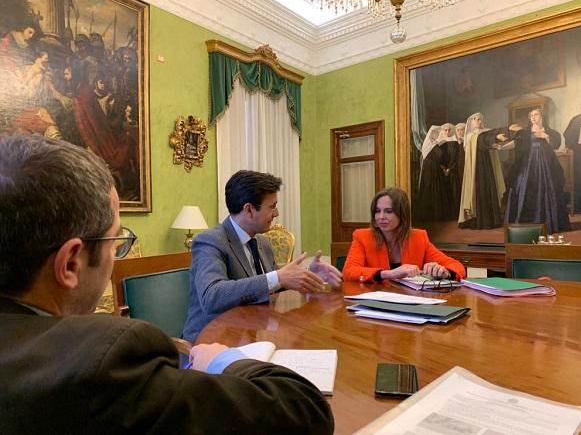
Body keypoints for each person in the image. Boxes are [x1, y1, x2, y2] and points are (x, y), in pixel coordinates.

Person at [0, 135, 334, 434]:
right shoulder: (108, 357)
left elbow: (265, 287)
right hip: (212, 348)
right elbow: (305, 412)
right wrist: (222, 361)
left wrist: (299, 279)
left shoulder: (263, 244)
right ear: (71, 263)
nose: (276, 214)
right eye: (116, 241)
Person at [183, 170, 342, 342]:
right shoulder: (210, 241)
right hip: (211, 343)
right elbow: (212, 296)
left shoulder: (262, 242)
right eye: (272, 206)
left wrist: (307, 275)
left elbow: (272, 284)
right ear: (249, 210)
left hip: (254, 335)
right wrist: (277, 277)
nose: (277, 213)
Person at [343, 188, 465, 282]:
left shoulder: (419, 238)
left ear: (402, 214)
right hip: (374, 302)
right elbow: (348, 272)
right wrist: (389, 274)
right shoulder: (362, 237)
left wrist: (445, 272)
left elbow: (458, 267)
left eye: (388, 211)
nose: (381, 217)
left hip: (410, 302)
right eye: (377, 211)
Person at [504, 107, 571, 233]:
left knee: (550, 187)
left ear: (541, 117)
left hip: (546, 163)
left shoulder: (550, 131)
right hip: (529, 163)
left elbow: (555, 145)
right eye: (531, 116)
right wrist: (501, 147)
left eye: (536, 115)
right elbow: (515, 143)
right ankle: (528, 221)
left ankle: (549, 222)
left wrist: (545, 136)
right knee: (524, 186)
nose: (533, 117)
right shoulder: (526, 132)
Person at [458, 112, 507, 229]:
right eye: (477, 119)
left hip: (486, 165)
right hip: (476, 168)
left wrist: (495, 140)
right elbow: (482, 142)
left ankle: (491, 220)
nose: (480, 121)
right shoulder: (470, 136)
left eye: (481, 119)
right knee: (478, 191)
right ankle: (479, 221)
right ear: (472, 121)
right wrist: (495, 138)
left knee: (489, 188)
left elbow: (488, 141)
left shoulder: (484, 133)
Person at [415, 125, 448, 221]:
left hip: (435, 168)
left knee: (437, 189)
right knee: (429, 188)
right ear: (430, 133)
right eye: (434, 132)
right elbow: (439, 156)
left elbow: (440, 157)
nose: (436, 134)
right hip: (429, 169)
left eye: (437, 132)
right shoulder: (429, 144)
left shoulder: (435, 143)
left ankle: (436, 214)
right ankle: (428, 215)